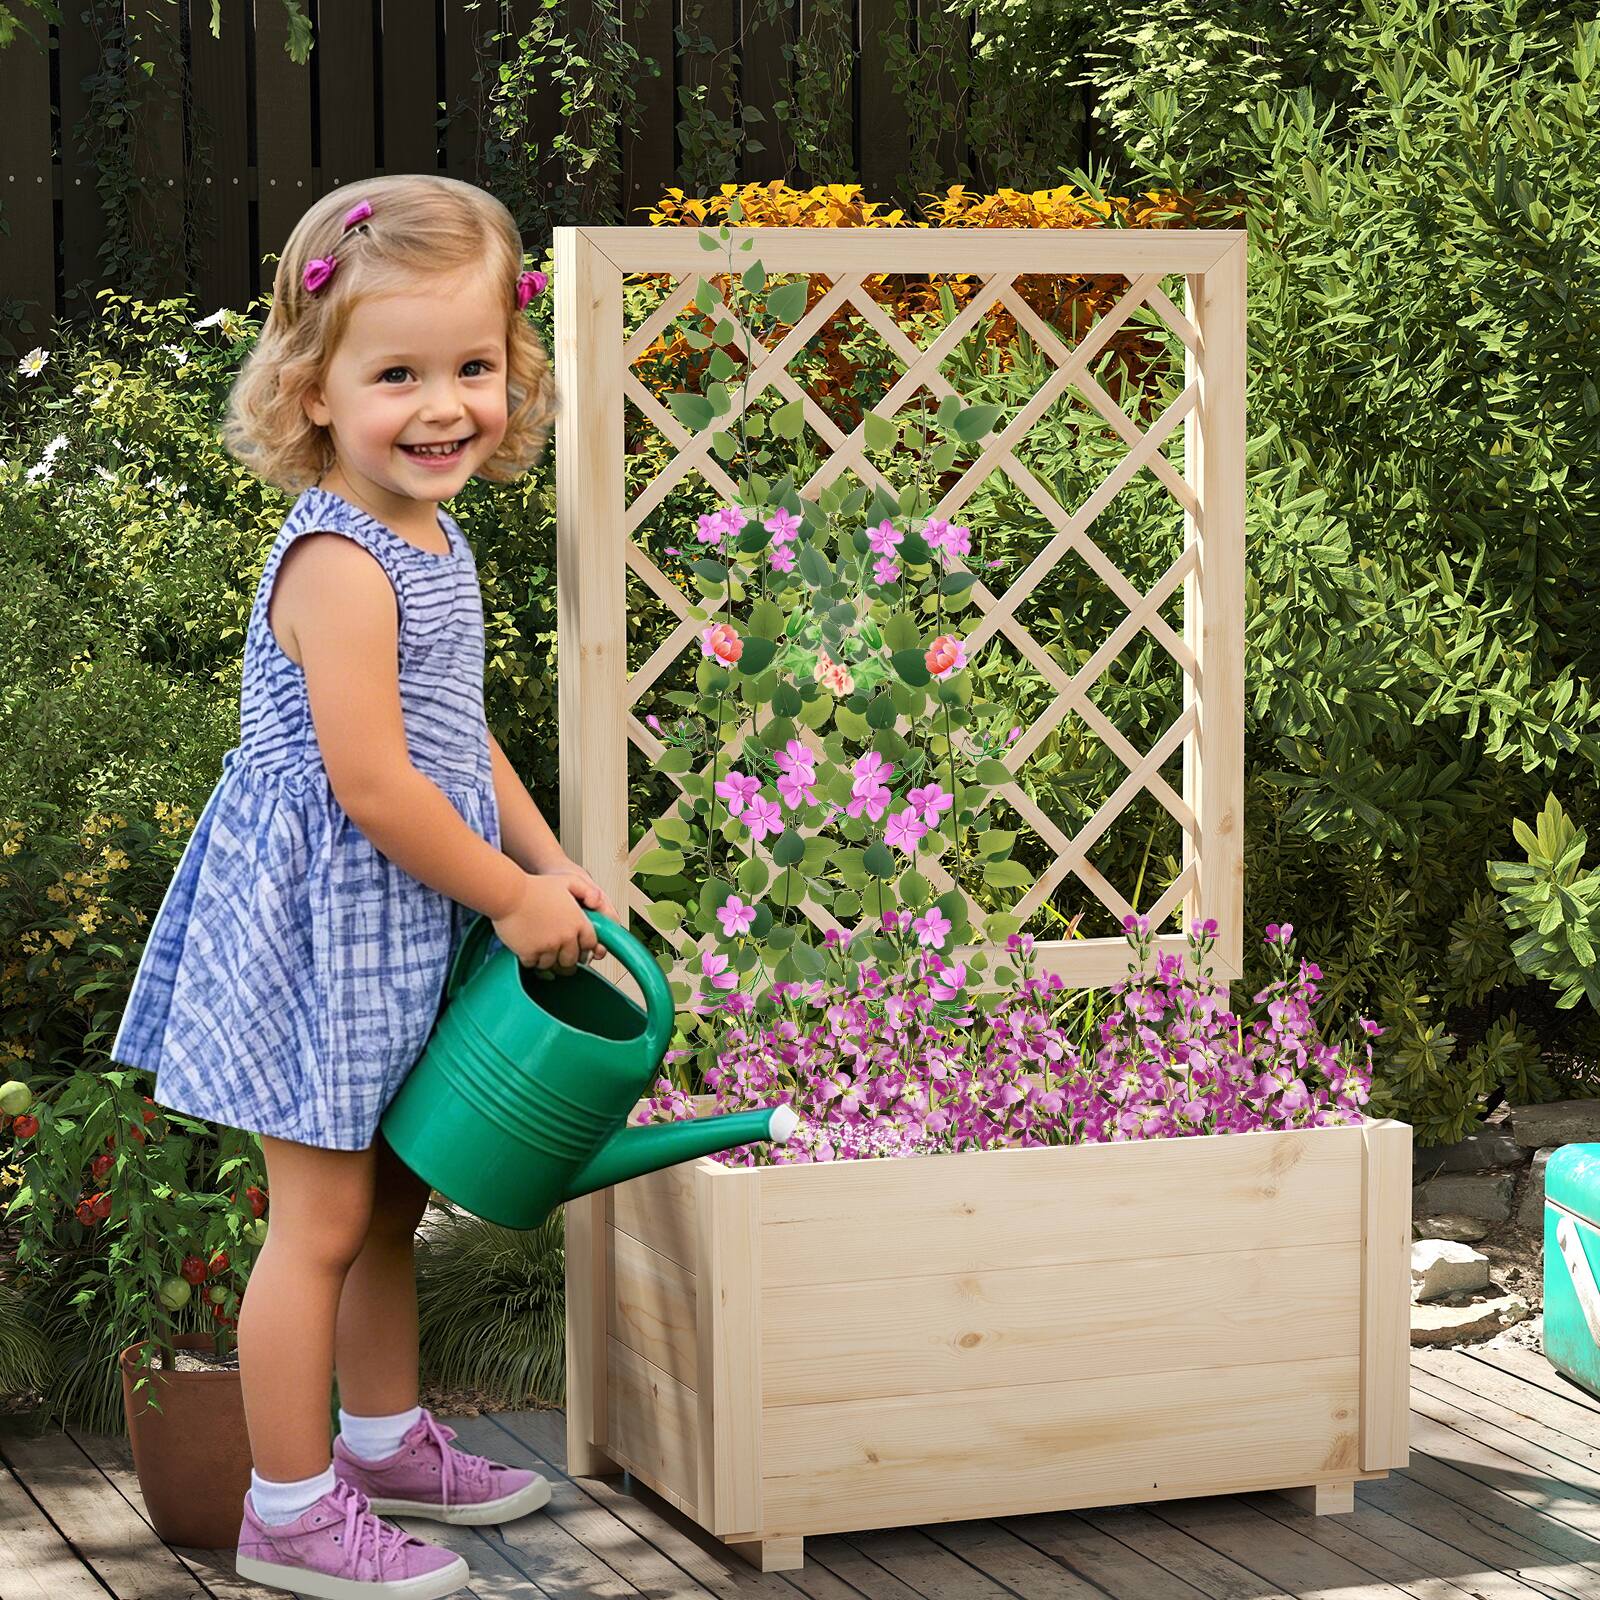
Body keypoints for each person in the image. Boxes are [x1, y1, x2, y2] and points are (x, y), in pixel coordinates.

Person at [110, 173, 617, 1600]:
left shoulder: (434, 536)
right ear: (313, 391)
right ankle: (287, 1506)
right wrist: (510, 902)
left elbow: (455, 735)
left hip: (405, 913)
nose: (443, 405)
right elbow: (376, 787)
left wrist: (541, 856)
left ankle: (387, 1444)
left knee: (393, 1198)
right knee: (321, 1222)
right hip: (322, 927)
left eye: (472, 369)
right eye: (397, 373)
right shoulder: (340, 559)